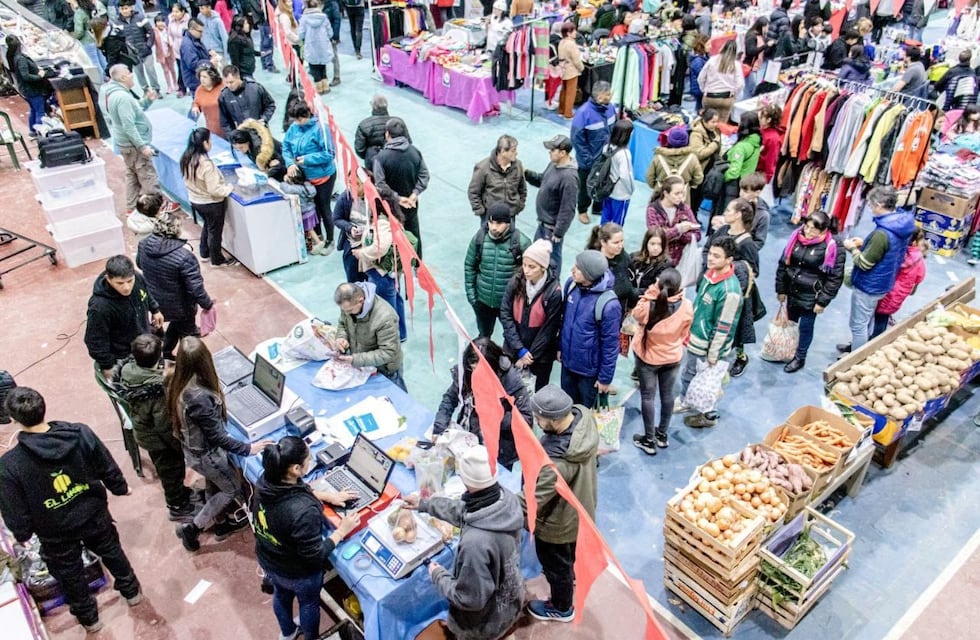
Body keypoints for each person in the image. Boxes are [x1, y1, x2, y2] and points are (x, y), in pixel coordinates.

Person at [0, 387, 142, 634]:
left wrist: (23, 534)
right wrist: (120, 487)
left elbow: (14, 510)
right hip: (93, 514)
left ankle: (90, 619)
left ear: (13, 419)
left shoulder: (9, 465)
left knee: (70, 574)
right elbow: (105, 464)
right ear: (43, 407)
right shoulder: (79, 433)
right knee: (111, 551)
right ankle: (132, 592)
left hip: (54, 531)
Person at [404, 445, 524, 638]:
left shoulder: (475, 544)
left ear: (464, 480)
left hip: (483, 625)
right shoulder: (506, 500)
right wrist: (426, 504)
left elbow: (468, 599)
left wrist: (438, 575)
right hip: (509, 600)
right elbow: (464, 512)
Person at [253, 437, 360, 640]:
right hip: (297, 572)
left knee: (281, 594)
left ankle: (287, 633)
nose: (311, 461)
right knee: (309, 603)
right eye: (308, 459)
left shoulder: (266, 481)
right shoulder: (303, 510)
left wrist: (327, 496)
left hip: (268, 558)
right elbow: (315, 556)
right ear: (295, 469)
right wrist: (341, 531)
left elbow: (296, 488)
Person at [170, 337, 270, 551]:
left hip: (194, 451)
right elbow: (218, 437)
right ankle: (193, 528)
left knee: (214, 483)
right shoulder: (200, 397)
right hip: (207, 456)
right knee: (231, 489)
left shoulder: (179, 382)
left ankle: (220, 522)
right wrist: (248, 449)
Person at [521, 385, 598, 622]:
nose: (536, 422)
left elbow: (532, 501)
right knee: (568, 557)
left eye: (539, 418)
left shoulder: (556, 463)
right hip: (582, 505)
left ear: (553, 420)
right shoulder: (583, 419)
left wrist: (498, 502)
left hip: (558, 524)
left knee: (556, 565)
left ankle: (562, 607)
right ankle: (570, 574)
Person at [116, 334, 197, 520]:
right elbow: (164, 426)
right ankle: (177, 506)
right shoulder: (157, 391)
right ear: (158, 357)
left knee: (167, 470)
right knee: (172, 471)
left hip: (145, 433)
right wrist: (177, 444)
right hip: (159, 441)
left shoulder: (128, 371)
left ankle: (180, 494)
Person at [676, 236, 743, 428]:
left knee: (704, 380)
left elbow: (724, 326)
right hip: (695, 336)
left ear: (729, 260)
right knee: (689, 372)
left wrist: (714, 354)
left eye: (716, 256)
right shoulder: (710, 273)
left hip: (707, 346)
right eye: (711, 254)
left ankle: (700, 411)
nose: (710, 258)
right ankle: (687, 400)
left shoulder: (730, 291)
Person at [838, 186, 915, 352]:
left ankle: (855, 358)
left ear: (879, 205)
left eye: (871, 205)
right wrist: (866, 244)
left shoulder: (881, 233)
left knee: (858, 325)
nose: (870, 209)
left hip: (869, 285)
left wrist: (852, 248)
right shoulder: (901, 224)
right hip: (885, 281)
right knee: (869, 319)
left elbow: (864, 263)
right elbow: (888, 250)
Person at [433, 340, 532, 468]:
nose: (475, 374)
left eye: (480, 371)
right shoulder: (466, 373)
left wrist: (496, 416)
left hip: (498, 450)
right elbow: (450, 398)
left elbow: (525, 419)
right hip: (466, 439)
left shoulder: (511, 381)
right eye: (472, 369)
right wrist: (439, 427)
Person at [774, 210, 845, 372]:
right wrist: (781, 289)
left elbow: (835, 278)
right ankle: (788, 349)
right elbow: (783, 264)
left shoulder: (833, 247)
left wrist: (822, 301)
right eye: (807, 226)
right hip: (792, 289)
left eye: (814, 229)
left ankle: (800, 357)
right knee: (791, 323)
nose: (808, 231)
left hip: (812, 295)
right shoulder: (796, 237)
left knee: (805, 327)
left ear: (824, 230)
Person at [630, 268, 692, 454]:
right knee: (667, 395)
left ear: (659, 284)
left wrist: (651, 292)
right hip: (673, 357)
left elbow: (635, 314)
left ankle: (649, 440)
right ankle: (662, 435)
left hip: (649, 358)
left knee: (647, 396)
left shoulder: (649, 306)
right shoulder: (687, 306)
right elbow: (685, 332)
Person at [136, 212, 214, 357]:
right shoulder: (184, 256)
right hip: (181, 305)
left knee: (176, 324)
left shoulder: (143, 244)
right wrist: (207, 304)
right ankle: (189, 363)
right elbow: (195, 288)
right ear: (177, 230)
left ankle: (165, 352)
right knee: (189, 340)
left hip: (154, 300)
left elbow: (140, 264)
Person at [85, 255, 164, 379]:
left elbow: (145, 293)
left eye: (129, 281)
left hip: (144, 340)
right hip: (124, 354)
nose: (127, 287)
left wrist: (155, 309)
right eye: (120, 283)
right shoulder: (99, 308)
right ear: (108, 279)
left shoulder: (137, 277)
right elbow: (95, 341)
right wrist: (108, 366)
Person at [351, 185, 414, 341]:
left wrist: (361, 253)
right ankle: (400, 333)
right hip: (391, 272)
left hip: (381, 273)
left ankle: (391, 339)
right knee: (396, 300)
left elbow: (381, 246)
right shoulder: (392, 218)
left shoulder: (382, 223)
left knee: (386, 308)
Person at [559, 250, 621, 407]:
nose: (572, 270)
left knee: (585, 414)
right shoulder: (571, 285)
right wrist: (560, 348)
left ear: (589, 274)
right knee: (566, 408)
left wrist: (605, 378)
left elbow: (611, 345)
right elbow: (564, 321)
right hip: (567, 365)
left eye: (578, 268)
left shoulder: (609, 305)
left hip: (589, 374)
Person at [500, 240, 563, 391]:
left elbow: (549, 330)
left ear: (543, 267)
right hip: (512, 349)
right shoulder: (516, 282)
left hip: (540, 357)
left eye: (532, 267)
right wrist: (519, 348)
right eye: (524, 265)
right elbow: (505, 313)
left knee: (537, 394)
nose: (526, 271)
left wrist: (529, 356)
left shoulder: (553, 292)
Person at [100, 64, 164, 215]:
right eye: (129, 73)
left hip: (126, 145)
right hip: (133, 146)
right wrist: (142, 146)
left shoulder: (115, 94)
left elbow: (133, 112)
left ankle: (132, 206)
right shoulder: (122, 98)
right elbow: (128, 126)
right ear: (123, 77)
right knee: (146, 174)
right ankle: (155, 208)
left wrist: (147, 101)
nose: (132, 75)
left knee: (132, 175)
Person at [706, 198, 758, 378]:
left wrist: (731, 277)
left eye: (729, 210)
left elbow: (753, 270)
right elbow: (708, 247)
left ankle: (740, 357)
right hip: (713, 285)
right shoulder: (723, 230)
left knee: (734, 328)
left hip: (734, 294)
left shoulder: (747, 244)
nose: (725, 213)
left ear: (738, 215)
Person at [464, 203, 532, 338]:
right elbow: (469, 266)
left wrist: (519, 302)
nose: (494, 227)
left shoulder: (521, 242)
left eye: (499, 223)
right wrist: (473, 298)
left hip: (508, 304)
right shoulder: (479, 239)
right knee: (484, 336)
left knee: (512, 338)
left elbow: (531, 274)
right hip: (483, 301)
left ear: (508, 223)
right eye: (491, 222)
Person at [283, 101, 339, 252]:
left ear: (307, 115)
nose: (297, 122)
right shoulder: (294, 128)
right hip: (305, 177)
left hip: (323, 176)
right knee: (312, 208)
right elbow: (286, 147)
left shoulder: (321, 129)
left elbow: (329, 153)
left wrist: (307, 159)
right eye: (295, 120)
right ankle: (318, 236)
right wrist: (290, 163)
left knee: (323, 207)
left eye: (300, 119)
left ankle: (330, 240)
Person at [332, 282, 406, 391]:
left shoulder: (385, 317)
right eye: (344, 310)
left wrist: (355, 359)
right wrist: (341, 337)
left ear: (361, 301)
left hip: (386, 370)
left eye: (349, 311)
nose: (346, 313)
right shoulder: (348, 305)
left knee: (395, 398)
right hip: (364, 365)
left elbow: (388, 352)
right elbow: (343, 323)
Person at [373, 117, 430, 257]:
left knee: (394, 238)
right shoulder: (415, 152)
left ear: (387, 134)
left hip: (391, 207)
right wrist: (414, 194)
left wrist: (397, 198)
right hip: (412, 204)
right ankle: (417, 264)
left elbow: (380, 185)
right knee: (414, 234)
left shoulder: (381, 158)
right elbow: (424, 175)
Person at [181, 127, 237, 267]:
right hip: (211, 203)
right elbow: (214, 190)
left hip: (195, 200)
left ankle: (204, 253)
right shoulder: (206, 165)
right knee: (215, 232)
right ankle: (217, 260)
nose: (211, 143)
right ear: (205, 143)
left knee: (207, 226)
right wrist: (229, 188)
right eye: (209, 140)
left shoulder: (187, 158)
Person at [524, 135, 578, 276]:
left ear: (563, 153)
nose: (549, 152)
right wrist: (527, 174)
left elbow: (568, 208)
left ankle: (553, 286)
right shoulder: (553, 165)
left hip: (552, 230)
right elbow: (542, 180)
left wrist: (559, 232)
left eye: (553, 150)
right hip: (542, 225)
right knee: (536, 257)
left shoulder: (569, 178)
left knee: (552, 263)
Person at [571, 81, 617, 224]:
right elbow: (577, 140)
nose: (610, 97)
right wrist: (588, 160)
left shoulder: (610, 108)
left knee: (603, 182)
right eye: (607, 94)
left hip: (606, 156)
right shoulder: (583, 113)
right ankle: (582, 210)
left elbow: (613, 129)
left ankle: (598, 207)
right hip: (589, 160)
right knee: (585, 187)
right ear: (598, 96)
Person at [872, 228, 927, 338]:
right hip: (897, 295)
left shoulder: (896, 252)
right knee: (882, 318)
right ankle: (874, 340)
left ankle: (870, 341)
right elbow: (920, 277)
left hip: (883, 289)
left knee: (873, 319)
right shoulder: (919, 260)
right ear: (915, 242)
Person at [711, 111, 762, 218]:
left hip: (733, 185)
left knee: (724, 212)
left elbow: (734, 171)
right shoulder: (756, 142)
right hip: (746, 182)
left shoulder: (741, 147)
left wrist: (723, 178)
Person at [468, 134, 527, 222]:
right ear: (503, 151)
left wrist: (519, 205)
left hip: (510, 215)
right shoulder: (483, 167)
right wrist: (481, 211)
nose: (516, 153)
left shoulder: (518, 166)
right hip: (490, 216)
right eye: (513, 150)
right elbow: (473, 191)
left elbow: (522, 189)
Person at [646, 176, 701, 266]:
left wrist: (676, 234)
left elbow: (697, 235)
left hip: (679, 259)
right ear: (666, 193)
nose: (680, 197)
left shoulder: (685, 209)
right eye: (676, 193)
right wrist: (679, 229)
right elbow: (656, 236)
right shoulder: (653, 209)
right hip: (658, 258)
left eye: (682, 193)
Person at [646, 126, 704, 206]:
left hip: (660, 195)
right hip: (682, 198)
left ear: (669, 140)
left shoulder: (658, 157)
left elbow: (649, 177)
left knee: (656, 213)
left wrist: (657, 185)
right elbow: (699, 178)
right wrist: (687, 184)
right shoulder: (692, 158)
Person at [4, 35, 49, 135]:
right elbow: (26, 76)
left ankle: (32, 131)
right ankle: (41, 134)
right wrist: (39, 76)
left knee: (34, 109)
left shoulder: (13, 57)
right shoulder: (21, 59)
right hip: (32, 90)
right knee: (40, 111)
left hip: (26, 89)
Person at [280, 166, 329, 256]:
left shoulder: (296, 189)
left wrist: (284, 181)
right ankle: (312, 244)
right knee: (310, 229)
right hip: (312, 210)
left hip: (305, 213)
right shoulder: (308, 185)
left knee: (309, 229)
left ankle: (318, 242)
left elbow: (285, 188)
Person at [587, 222, 635, 312]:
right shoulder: (594, 264)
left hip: (622, 307)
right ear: (603, 242)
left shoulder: (624, 256)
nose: (620, 246)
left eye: (622, 241)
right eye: (616, 242)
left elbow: (632, 278)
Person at [217, 65, 275, 138]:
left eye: (231, 82)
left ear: (238, 77)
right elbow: (225, 122)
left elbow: (270, 105)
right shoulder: (224, 96)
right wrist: (232, 137)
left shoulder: (256, 88)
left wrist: (264, 119)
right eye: (226, 82)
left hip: (261, 132)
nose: (229, 85)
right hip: (242, 137)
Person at [333, 170, 370, 282]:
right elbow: (337, 218)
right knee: (354, 281)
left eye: (357, 184)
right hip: (353, 242)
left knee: (373, 281)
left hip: (372, 243)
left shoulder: (377, 197)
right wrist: (349, 227)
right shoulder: (345, 198)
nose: (352, 187)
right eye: (350, 183)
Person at [115, 0, 158, 93]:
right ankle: (146, 90)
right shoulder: (117, 22)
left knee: (151, 70)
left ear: (131, 8)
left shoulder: (140, 17)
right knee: (139, 73)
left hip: (145, 50)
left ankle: (156, 89)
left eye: (126, 8)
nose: (124, 11)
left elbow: (151, 32)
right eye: (122, 9)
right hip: (132, 54)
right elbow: (117, 38)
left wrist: (148, 45)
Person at [598, 119, 634, 227]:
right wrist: (631, 190)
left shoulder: (607, 146)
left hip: (607, 189)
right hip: (620, 193)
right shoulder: (624, 153)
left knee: (605, 217)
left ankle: (602, 236)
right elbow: (625, 175)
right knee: (617, 223)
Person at [355, 95, 408, 167]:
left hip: (373, 163)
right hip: (396, 162)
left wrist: (370, 155)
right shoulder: (399, 122)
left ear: (372, 106)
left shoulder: (363, 125)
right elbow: (408, 143)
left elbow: (360, 149)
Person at [698, 39, 743, 124]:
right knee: (722, 125)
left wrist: (704, 89)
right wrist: (734, 95)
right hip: (726, 98)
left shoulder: (712, 60)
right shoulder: (736, 64)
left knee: (707, 122)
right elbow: (740, 84)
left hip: (710, 96)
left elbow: (701, 78)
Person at [299, 0, 334, 94]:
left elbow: (301, 34)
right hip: (323, 46)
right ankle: (325, 87)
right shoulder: (324, 17)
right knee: (322, 65)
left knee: (314, 68)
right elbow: (330, 33)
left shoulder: (304, 19)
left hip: (311, 47)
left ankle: (319, 89)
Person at [629, 226, 671, 297]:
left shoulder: (665, 264)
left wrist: (632, 292)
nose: (656, 248)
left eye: (659, 244)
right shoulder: (633, 257)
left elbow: (656, 288)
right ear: (646, 243)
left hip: (648, 299)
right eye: (652, 244)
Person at [733, 173, 770, 249]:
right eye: (741, 189)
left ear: (757, 193)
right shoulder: (736, 203)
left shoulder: (763, 215)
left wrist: (743, 249)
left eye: (745, 191)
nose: (741, 194)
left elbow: (759, 242)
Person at [71, 0, 107, 81]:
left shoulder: (79, 13)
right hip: (96, 37)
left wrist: (72, 36)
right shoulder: (92, 8)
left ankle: (101, 82)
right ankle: (109, 78)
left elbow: (79, 32)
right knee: (102, 60)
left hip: (87, 41)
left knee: (94, 63)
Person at [180, 18, 217, 95]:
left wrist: (208, 53)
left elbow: (199, 54)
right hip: (195, 81)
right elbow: (193, 64)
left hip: (200, 78)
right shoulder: (187, 45)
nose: (202, 34)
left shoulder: (194, 39)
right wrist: (209, 62)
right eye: (200, 31)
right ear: (191, 29)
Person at [556, 22, 584, 119]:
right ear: (568, 33)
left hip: (563, 69)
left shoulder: (561, 42)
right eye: (574, 31)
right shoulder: (571, 44)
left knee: (563, 90)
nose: (575, 32)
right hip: (571, 70)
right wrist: (581, 68)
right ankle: (568, 113)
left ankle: (561, 110)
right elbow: (576, 60)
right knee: (571, 93)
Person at [191, 64, 224, 137]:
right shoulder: (199, 90)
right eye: (200, 76)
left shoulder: (222, 86)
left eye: (205, 77)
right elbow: (196, 102)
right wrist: (195, 106)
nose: (201, 79)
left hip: (226, 126)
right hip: (212, 127)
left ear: (212, 77)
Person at [757, 104, 784, 185]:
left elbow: (771, 160)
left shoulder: (773, 139)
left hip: (759, 174)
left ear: (768, 120)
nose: (759, 119)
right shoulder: (761, 129)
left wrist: (766, 178)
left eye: (761, 117)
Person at [742, 17, 769, 98]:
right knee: (749, 89)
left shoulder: (760, 36)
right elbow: (750, 52)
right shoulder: (752, 36)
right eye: (766, 27)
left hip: (756, 66)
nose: (768, 29)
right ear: (762, 27)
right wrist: (765, 46)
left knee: (752, 88)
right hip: (750, 66)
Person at [276, 0, 302, 82]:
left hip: (293, 42)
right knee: (295, 64)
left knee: (294, 64)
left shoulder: (288, 12)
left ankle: (292, 78)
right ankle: (294, 82)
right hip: (293, 43)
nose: (290, 3)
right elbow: (287, 32)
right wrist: (297, 39)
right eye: (288, 1)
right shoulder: (284, 16)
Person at [167, 4, 189, 96]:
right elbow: (169, 34)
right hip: (176, 49)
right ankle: (182, 88)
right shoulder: (171, 21)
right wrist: (171, 43)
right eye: (173, 11)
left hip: (187, 49)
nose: (174, 14)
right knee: (180, 69)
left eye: (177, 12)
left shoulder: (188, 21)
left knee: (189, 68)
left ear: (182, 12)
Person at [152, 15, 177, 94]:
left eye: (162, 21)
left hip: (169, 52)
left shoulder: (167, 30)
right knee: (165, 70)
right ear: (155, 23)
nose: (160, 23)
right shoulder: (154, 31)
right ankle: (169, 86)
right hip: (161, 53)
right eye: (158, 21)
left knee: (172, 69)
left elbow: (172, 39)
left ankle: (175, 83)